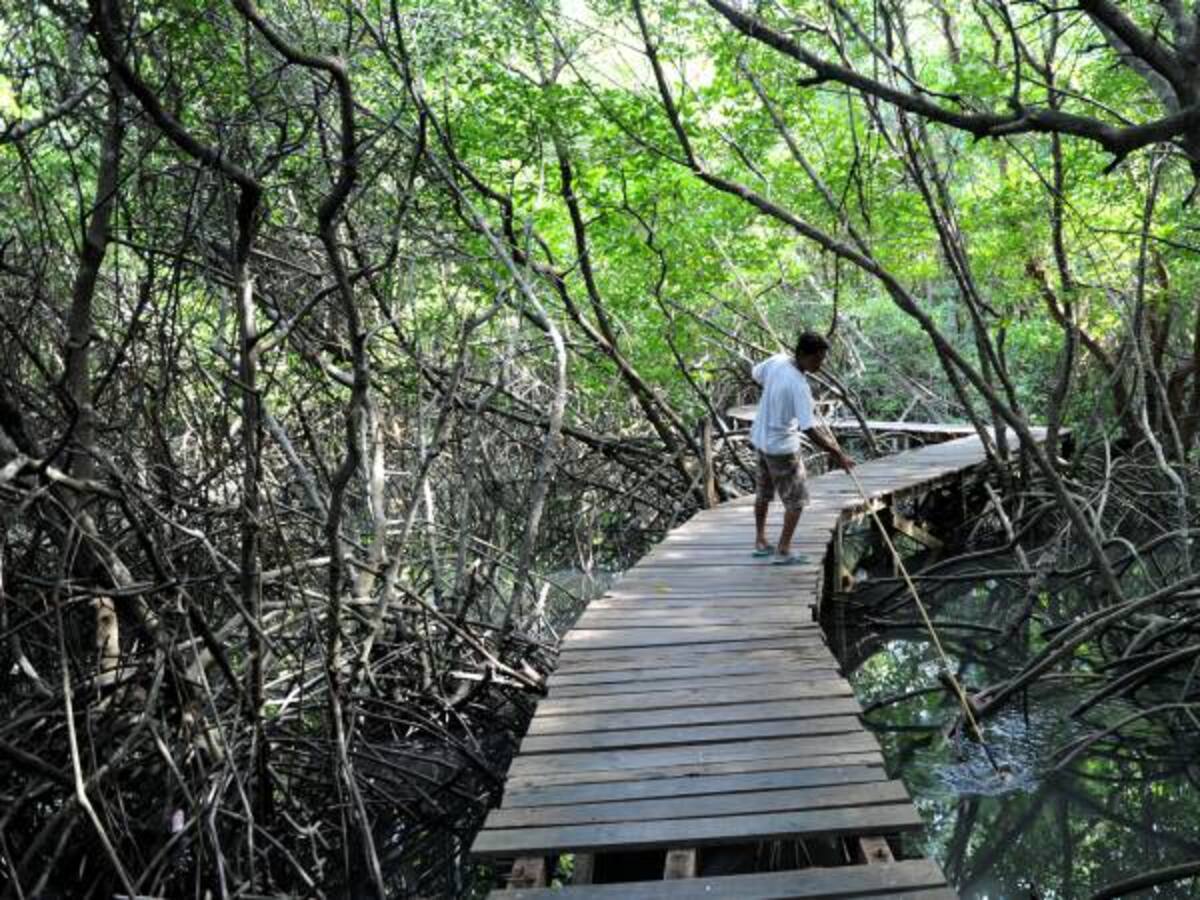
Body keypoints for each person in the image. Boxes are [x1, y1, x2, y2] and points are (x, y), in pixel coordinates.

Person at [750, 331, 854, 564]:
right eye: (817, 359)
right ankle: (783, 550)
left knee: (763, 494)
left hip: (761, 439)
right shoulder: (799, 386)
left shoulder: (776, 362)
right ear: (804, 355)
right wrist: (838, 454)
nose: (820, 364)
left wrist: (773, 394)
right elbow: (808, 428)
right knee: (797, 502)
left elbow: (755, 374)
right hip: (782, 449)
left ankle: (760, 541)